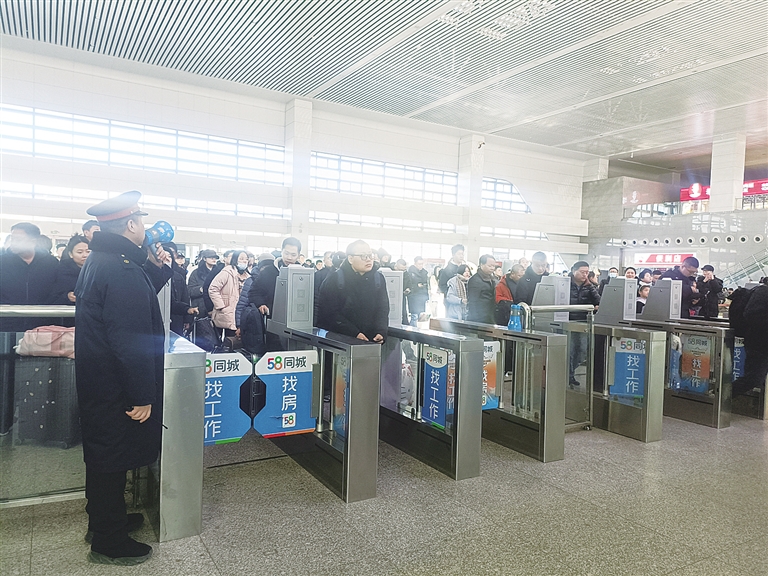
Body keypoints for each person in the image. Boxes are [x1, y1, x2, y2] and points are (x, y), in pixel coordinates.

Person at [74, 190, 172, 565]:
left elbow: (129, 304)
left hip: (100, 379)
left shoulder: (102, 260)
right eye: (141, 220)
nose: (144, 226)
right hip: (116, 385)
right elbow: (129, 340)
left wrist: (157, 268)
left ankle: (104, 519)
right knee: (111, 458)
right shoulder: (120, 268)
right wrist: (142, 394)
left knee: (104, 454)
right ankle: (108, 541)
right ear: (131, 224)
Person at [316, 240, 389, 342]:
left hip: (371, 339)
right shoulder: (335, 279)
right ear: (350, 259)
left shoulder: (378, 278)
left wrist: (381, 331)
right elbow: (329, 313)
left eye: (370, 255)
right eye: (363, 256)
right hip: (340, 340)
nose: (368, 259)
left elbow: (383, 308)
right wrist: (354, 333)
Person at [0, 222, 60, 333]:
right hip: (7, 324)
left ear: (33, 241)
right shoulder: (3, 262)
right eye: (12, 239)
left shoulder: (51, 262)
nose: (13, 243)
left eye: (18, 239)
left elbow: (57, 290)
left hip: (42, 326)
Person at [731, 279, 768, 398]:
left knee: (757, 377)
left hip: (760, 342)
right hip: (759, 344)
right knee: (754, 377)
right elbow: (751, 315)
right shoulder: (763, 292)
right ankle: (724, 396)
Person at [568, 261, 600, 388]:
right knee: (570, 350)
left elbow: (598, 301)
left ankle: (570, 371)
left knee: (582, 350)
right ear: (574, 271)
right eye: (582, 272)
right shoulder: (565, 283)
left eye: (587, 272)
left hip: (583, 321)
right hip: (568, 321)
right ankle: (569, 375)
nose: (585, 275)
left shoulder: (589, 286)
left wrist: (595, 307)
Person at [50, 234, 91, 325]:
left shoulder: (98, 270)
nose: (85, 255)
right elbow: (52, 297)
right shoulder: (61, 271)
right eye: (80, 252)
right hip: (67, 320)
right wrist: (67, 296)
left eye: (88, 251)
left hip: (92, 318)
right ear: (71, 254)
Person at [208, 250, 249, 337]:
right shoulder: (227, 272)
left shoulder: (248, 276)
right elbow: (213, 288)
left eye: (246, 259)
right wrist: (221, 306)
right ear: (235, 259)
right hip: (225, 312)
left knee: (233, 340)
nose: (244, 261)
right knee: (220, 339)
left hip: (239, 313)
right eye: (241, 258)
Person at [161, 242, 197, 335]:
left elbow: (185, 297)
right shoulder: (152, 276)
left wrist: (187, 318)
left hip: (177, 316)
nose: (167, 259)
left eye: (170, 256)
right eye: (164, 256)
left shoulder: (178, 277)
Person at [467, 254, 497, 324]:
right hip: (479, 317)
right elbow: (472, 301)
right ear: (481, 265)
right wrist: (475, 321)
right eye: (489, 266)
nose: (492, 268)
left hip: (490, 315)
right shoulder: (475, 280)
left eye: (493, 266)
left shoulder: (493, 278)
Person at [187, 249, 218, 316]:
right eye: (211, 257)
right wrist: (201, 289)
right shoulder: (196, 273)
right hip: (201, 307)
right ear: (204, 258)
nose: (214, 259)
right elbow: (189, 291)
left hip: (215, 305)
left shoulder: (219, 272)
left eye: (215, 257)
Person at [407, 256, 429, 325]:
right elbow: (408, 284)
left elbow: (426, 285)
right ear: (415, 264)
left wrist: (427, 296)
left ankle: (418, 330)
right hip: (413, 296)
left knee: (421, 316)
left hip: (422, 296)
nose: (421, 266)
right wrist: (416, 286)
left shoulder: (424, 272)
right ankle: (412, 330)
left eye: (422, 264)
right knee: (414, 316)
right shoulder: (410, 272)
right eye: (419, 264)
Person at [394, 258, 412, 325]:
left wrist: (408, 289)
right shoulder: (391, 272)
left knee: (403, 312)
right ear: (396, 266)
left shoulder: (406, 274)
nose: (402, 272)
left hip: (402, 296)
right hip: (392, 296)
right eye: (401, 269)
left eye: (404, 270)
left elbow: (410, 284)